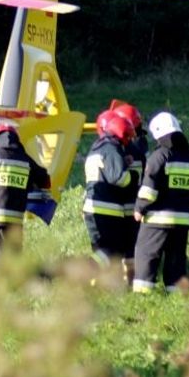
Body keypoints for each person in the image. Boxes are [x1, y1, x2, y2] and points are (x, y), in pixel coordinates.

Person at [132, 112, 189, 293]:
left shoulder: (159, 157)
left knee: (146, 253)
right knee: (176, 257)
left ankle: (143, 292)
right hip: (182, 221)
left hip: (157, 219)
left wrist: (139, 208)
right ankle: (176, 291)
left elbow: (149, 188)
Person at [0, 124, 50, 264]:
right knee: (14, 257)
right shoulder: (25, 159)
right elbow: (45, 180)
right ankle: (13, 284)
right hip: (15, 218)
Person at [82, 110, 136, 272]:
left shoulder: (97, 148)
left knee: (102, 251)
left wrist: (121, 161)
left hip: (93, 207)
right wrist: (133, 174)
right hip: (106, 210)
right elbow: (120, 178)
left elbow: (105, 171)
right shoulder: (112, 149)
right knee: (113, 250)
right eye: (127, 137)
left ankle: (94, 282)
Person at [110, 100, 148, 286]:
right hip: (133, 206)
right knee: (131, 245)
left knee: (115, 246)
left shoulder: (113, 150)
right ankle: (131, 281)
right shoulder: (138, 150)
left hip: (116, 207)